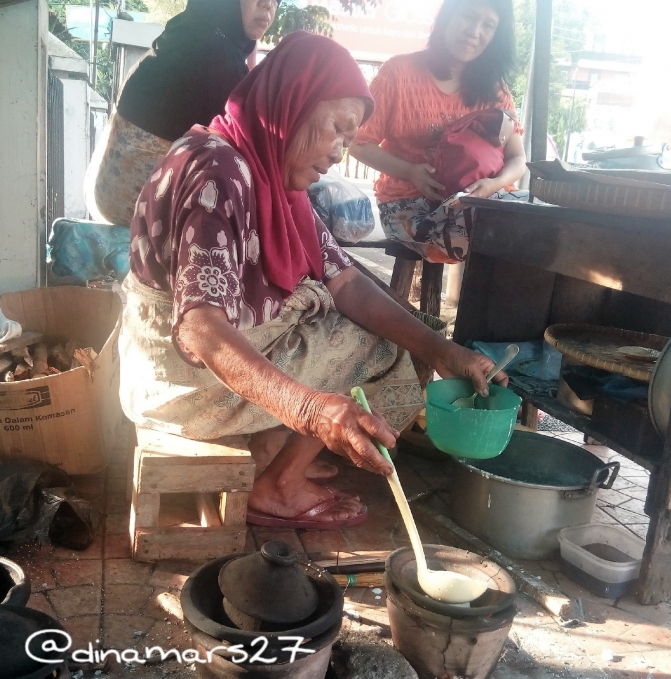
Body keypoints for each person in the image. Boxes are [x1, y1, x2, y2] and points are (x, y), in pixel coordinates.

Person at [119, 32, 507, 530]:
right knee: (383, 352)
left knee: (393, 330)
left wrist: (443, 350)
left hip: (182, 368)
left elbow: (344, 280)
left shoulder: (264, 167)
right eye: (337, 129)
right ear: (292, 105)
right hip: (176, 380)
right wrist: (309, 410)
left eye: (351, 137)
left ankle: (270, 445)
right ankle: (277, 487)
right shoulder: (219, 171)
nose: (340, 150)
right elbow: (199, 328)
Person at [348, 0, 526, 264]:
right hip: (410, 206)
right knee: (493, 238)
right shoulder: (399, 73)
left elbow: (517, 159)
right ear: (448, 16)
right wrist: (411, 172)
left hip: (481, 202)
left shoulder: (495, 90)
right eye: (469, 16)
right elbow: (358, 144)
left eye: (488, 25)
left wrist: (493, 185)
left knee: (541, 224)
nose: (474, 31)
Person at [85, 0, 280, 226]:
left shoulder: (190, 31)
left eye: (277, 0)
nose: (268, 5)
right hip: (129, 208)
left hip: (105, 194)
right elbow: (257, 148)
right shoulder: (212, 50)